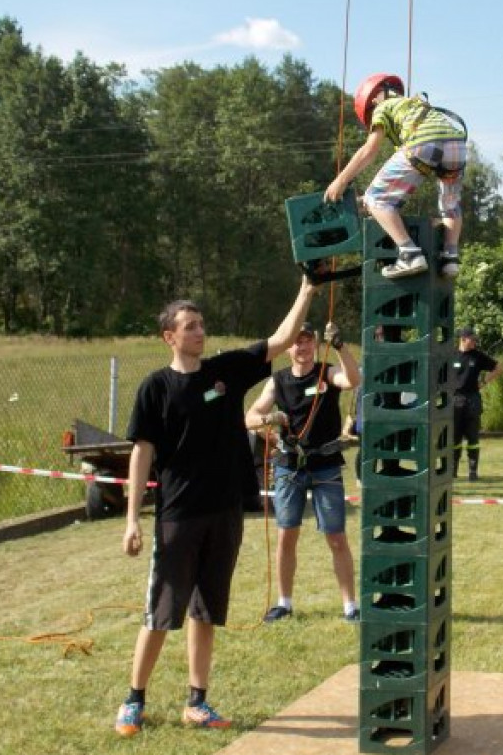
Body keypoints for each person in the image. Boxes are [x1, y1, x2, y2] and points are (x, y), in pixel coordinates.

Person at [114, 277, 317, 738]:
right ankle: (134, 700)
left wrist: (306, 289)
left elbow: (282, 339)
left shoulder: (225, 372)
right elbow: (141, 453)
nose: (200, 332)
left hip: (224, 513)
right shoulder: (156, 388)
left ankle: (197, 701)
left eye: (201, 324)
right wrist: (131, 519)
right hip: (177, 515)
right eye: (190, 327)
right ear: (170, 336)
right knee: (161, 613)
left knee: (206, 611)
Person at [245, 321, 362, 624]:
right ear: (288, 349)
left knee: (336, 537)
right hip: (288, 468)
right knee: (287, 536)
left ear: (315, 344)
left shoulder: (326, 371)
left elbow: (352, 379)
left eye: (308, 341)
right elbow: (250, 417)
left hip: (326, 465)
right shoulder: (278, 381)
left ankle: (351, 605)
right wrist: (273, 417)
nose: (303, 347)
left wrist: (339, 346)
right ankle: (284, 603)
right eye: (297, 342)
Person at [323, 72, 467, 280]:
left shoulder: (382, 107)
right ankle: (450, 258)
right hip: (457, 143)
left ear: (372, 100)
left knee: (377, 198)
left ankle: (409, 255)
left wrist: (341, 180)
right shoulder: (415, 105)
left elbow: (369, 150)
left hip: (424, 142)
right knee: (450, 204)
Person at [453, 326, 502, 481]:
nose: (475, 342)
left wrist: (484, 381)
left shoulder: (478, 356)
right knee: (454, 439)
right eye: (472, 339)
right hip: (454, 400)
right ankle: (452, 472)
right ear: (463, 339)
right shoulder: (449, 356)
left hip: (472, 400)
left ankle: (473, 473)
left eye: (475, 339)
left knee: (473, 438)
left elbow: (498, 367)